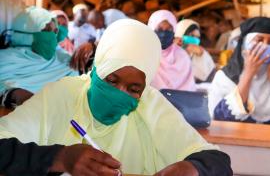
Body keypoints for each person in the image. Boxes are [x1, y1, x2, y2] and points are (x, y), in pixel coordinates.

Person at [0, 19, 232, 176]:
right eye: (111, 81)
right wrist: (60, 157)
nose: (119, 94)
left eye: (133, 89)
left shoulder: (150, 105)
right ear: (98, 67)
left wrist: (193, 168)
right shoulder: (63, 96)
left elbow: (218, 161)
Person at [0, 6, 94, 108]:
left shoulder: (61, 57)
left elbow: (88, 75)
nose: (52, 36)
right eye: (46, 29)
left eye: (54, 31)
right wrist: (13, 95)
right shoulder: (4, 59)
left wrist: (93, 49)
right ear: (25, 31)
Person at [209, 17, 270, 124]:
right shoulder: (224, 78)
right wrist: (248, 74)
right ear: (245, 44)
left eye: (269, 42)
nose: (265, 46)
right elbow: (219, 120)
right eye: (259, 40)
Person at [148, 10, 196, 91]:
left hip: (179, 102)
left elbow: (189, 89)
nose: (163, 34)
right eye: (159, 29)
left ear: (174, 31)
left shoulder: (182, 56)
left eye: (169, 29)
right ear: (151, 28)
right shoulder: (144, 54)